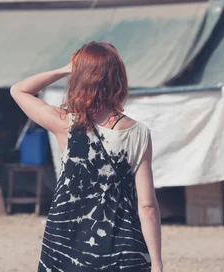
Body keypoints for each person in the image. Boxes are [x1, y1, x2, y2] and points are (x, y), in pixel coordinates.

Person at [10, 41, 163, 272]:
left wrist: (65, 69)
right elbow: (148, 206)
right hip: (122, 250)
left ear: (79, 79)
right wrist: (157, 263)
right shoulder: (139, 133)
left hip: (66, 248)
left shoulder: (65, 124)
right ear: (118, 79)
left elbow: (18, 90)